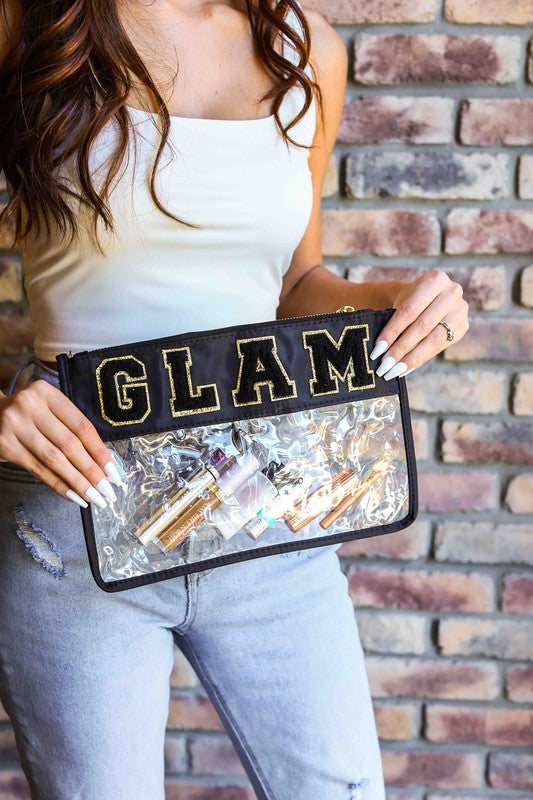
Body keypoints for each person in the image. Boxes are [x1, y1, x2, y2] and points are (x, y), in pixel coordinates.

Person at [0, 1, 469, 798]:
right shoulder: (31, 22)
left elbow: (295, 282)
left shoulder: (305, 48)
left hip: (263, 501)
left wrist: (391, 304)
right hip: (77, 500)